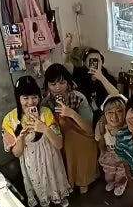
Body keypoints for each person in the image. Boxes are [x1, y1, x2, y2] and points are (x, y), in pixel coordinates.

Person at [1, 75, 71, 207]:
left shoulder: (46, 113)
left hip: (51, 156)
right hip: (31, 161)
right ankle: (44, 202)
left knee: (54, 175)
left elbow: (58, 144)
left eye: (34, 97)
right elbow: (17, 153)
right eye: (25, 98)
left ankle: (61, 195)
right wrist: (20, 138)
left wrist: (44, 128)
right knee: (39, 181)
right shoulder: (9, 120)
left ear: (39, 97)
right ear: (18, 98)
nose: (30, 102)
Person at [42, 63, 99, 194]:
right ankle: (68, 180)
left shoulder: (78, 97)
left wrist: (72, 114)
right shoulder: (45, 103)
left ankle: (83, 179)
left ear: (68, 83)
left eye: (62, 83)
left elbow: (89, 128)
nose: (57, 88)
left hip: (81, 133)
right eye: (53, 84)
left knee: (75, 142)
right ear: (47, 86)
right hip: (58, 135)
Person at [63, 34, 120, 122]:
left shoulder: (108, 77)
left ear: (102, 62)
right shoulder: (80, 73)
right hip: (83, 112)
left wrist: (101, 78)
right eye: (91, 60)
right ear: (85, 63)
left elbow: (116, 95)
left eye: (97, 60)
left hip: (103, 115)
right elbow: (66, 67)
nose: (94, 63)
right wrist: (67, 47)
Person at [95, 95, 128, 197]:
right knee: (108, 174)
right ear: (105, 114)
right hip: (108, 155)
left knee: (120, 175)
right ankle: (111, 181)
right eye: (110, 112)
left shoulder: (128, 128)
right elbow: (98, 139)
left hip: (123, 158)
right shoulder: (101, 126)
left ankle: (120, 184)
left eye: (119, 111)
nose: (114, 117)